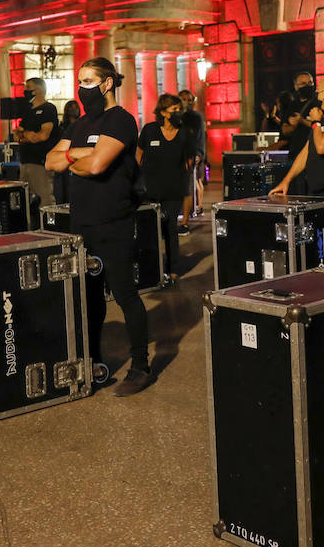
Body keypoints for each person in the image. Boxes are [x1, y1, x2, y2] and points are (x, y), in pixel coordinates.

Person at [46, 57, 155, 397]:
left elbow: (97, 166)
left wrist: (75, 159)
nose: (82, 88)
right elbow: (51, 160)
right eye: (80, 81)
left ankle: (140, 366)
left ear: (107, 84)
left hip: (114, 221)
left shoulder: (121, 120)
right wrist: (80, 155)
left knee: (124, 294)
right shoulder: (78, 123)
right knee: (89, 299)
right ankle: (94, 364)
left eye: (89, 81)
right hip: (81, 224)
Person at [269, 76, 324, 198]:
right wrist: (286, 181)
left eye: (318, 92)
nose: (316, 97)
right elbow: (306, 151)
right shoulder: (323, 119)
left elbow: (322, 147)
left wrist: (315, 122)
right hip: (315, 190)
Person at [137, 93, 191, 282]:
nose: (178, 113)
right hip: (149, 190)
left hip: (173, 190)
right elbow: (138, 155)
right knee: (150, 231)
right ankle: (151, 269)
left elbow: (189, 160)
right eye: (174, 110)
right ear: (163, 112)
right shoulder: (150, 130)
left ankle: (173, 268)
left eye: (179, 109)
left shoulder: (184, 132)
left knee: (170, 230)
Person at [13, 77, 59, 208]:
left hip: (40, 162)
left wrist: (25, 134)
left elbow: (43, 136)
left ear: (37, 90)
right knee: (25, 200)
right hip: (25, 161)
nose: (25, 91)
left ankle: (48, 226)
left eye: (28, 88)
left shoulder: (48, 109)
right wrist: (28, 135)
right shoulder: (28, 111)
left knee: (44, 199)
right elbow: (17, 135)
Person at [178, 89, 206, 224]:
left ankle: (198, 206)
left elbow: (199, 136)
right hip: (183, 154)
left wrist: (199, 154)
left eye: (189, 100)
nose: (187, 103)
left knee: (197, 181)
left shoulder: (196, 116)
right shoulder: (178, 116)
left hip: (195, 152)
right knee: (192, 182)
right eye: (184, 99)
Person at [51, 100, 81, 204]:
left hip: (77, 160)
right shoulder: (61, 128)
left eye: (76, 107)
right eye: (71, 108)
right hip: (63, 161)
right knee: (61, 191)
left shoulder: (82, 126)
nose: (74, 110)